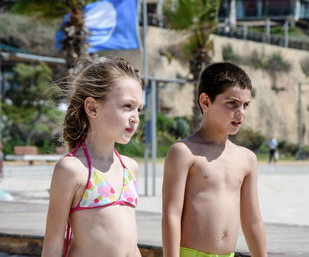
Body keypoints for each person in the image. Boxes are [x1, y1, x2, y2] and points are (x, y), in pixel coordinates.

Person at [162, 62, 268, 257]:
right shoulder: (184, 152)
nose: (241, 112)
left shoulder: (247, 159)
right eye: (232, 104)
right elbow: (171, 215)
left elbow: (252, 220)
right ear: (205, 102)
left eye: (245, 105)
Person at [42, 57, 143, 257]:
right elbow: (53, 245)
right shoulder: (72, 169)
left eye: (139, 109)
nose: (135, 117)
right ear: (92, 108)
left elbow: (129, 244)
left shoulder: (130, 168)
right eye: (127, 106)